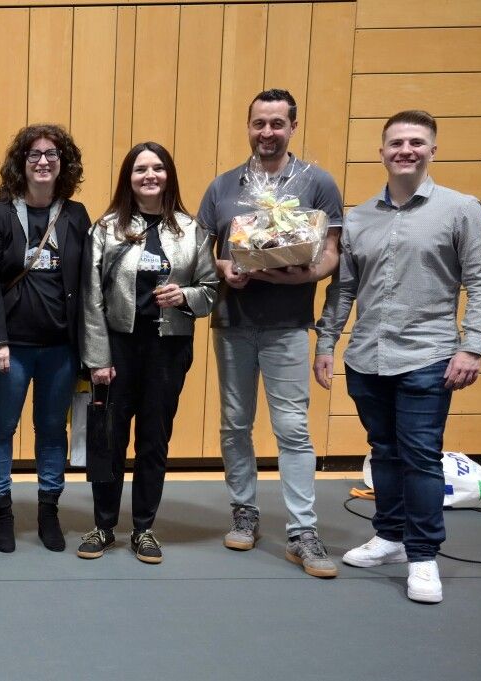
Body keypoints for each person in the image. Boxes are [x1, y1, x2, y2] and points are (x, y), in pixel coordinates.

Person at [317, 110, 481, 604]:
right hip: (366, 358)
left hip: (428, 356)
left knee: (420, 456)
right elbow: (343, 289)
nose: (406, 150)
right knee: (383, 451)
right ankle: (390, 537)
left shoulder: (460, 209)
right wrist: (326, 343)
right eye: (396, 142)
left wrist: (472, 347)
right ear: (381, 152)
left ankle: (422, 556)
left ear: (432, 151)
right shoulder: (359, 218)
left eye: (416, 142)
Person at [197, 89, 344, 577]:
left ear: (293, 127)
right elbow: (198, 253)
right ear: (248, 126)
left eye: (277, 123)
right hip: (233, 323)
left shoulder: (317, 182)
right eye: (259, 123)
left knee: (293, 428)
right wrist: (226, 267)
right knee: (235, 424)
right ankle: (244, 511)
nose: (267, 132)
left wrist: (304, 274)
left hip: (288, 325)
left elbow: (331, 252)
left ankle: (302, 531)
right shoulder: (223, 187)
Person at [78, 142, 218, 565]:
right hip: (117, 348)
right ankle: (103, 526)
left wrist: (185, 295)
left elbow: (211, 291)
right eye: (141, 169)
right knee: (109, 439)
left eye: (158, 168)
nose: (150, 175)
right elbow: (90, 298)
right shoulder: (106, 229)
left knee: (154, 440)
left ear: (169, 175)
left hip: (168, 350)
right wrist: (98, 358)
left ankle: (143, 529)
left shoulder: (192, 230)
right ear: (129, 177)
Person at [0, 124, 91, 554]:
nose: (43, 161)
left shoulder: (76, 214)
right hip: (11, 347)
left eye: (52, 154)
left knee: (51, 428)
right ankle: (2, 510)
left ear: (63, 164)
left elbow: (87, 283)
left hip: (60, 347)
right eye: (34, 155)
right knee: (1, 426)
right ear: (21, 164)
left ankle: (48, 510)